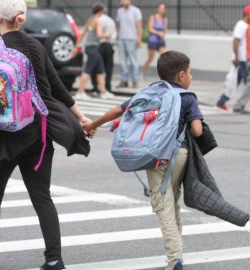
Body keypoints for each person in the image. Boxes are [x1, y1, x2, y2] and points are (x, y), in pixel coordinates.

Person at [0, 1, 91, 270]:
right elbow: (56, 87)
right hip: (39, 133)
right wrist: (81, 117)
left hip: (3, 135)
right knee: (42, 196)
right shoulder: (37, 46)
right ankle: (54, 258)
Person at [83, 51, 203, 270]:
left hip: (158, 157)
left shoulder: (149, 92)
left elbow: (116, 111)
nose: (191, 77)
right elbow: (196, 130)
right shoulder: (187, 97)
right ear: (181, 75)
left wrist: (93, 124)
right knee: (172, 201)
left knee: (162, 206)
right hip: (181, 155)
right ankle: (178, 254)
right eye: (191, 73)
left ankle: (175, 259)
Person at [216, 5, 250, 112]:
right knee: (249, 82)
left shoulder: (246, 25)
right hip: (242, 59)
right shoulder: (241, 25)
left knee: (240, 82)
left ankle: (221, 101)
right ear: (247, 15)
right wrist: (236, 57)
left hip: (244, 58)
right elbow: (236, 41)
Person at [74, 3, 114, 100]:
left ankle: (103, 92)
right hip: (94, 48)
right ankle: (80, 92)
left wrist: (76, 46)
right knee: (88, 70)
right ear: (100, 11)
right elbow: (99, 35)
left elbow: (82, 33)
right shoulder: (98, 21)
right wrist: (107, 35)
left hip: (89, 47)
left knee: (100, 71)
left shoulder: (90, 19)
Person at [91, 3, 117, 93]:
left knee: (96, 67)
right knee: (108, 67)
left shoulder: (98, 20)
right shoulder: (111, 20)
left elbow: (97, 34)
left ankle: (95, 86)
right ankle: (108, 87)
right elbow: (114, 35)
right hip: (110, 46)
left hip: (100, 45)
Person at [116, 0, 143, 89]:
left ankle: (135, 81)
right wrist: (117, 37)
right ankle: (124, 81)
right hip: (121, 39)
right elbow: (118, 25)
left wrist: (139, 39)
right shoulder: (119, 11)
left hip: (132, 39)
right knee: (123, 61)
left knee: (133, 61)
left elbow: (139, 26)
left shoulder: (136, 11)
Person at [142, 3, 168, 79]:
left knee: (166, 56)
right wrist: (158, 32)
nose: (161, 10)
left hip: (161, 40)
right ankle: (144, 73)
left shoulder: (165, 19)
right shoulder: (153, 17)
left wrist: (163, 33)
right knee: (150, 58)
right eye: (160, 8)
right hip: (152, 40)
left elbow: (165, 30)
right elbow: (150, 29)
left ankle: (165, 75)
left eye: (163, 9)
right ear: (157, 9)